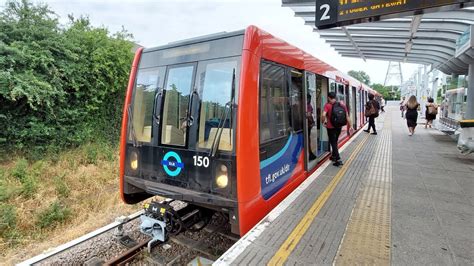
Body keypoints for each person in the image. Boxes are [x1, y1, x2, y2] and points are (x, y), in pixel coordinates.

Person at [321, 92, 351, 167]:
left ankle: (338, 159)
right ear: (335, 97)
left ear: (328, 98)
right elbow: (347, 116)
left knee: (333, 142)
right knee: (335, 141)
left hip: (330, 127)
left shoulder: (327, 105)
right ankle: (333, 156)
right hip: (339, 126)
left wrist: (323, 122)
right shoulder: (342, 105)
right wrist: (350, 126)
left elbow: (323, 115)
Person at [306, 94, 317, 160]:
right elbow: (309, 115)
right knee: (308, 140)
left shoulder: (301, 104)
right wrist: (312, 122)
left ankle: (309, 153)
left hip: (303, 125)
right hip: (308, 125)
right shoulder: (308, 105)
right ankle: (310, 154)